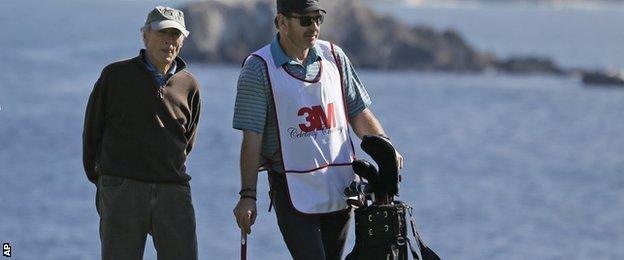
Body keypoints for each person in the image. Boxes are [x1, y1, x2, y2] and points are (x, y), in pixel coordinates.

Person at [232, 0, 403, 259]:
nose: (313, 26)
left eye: (317, 18)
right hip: (292, 189)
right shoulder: (258, 69)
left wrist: (386, 147)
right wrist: (248, 195)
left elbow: (358, 113)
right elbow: (252, 139)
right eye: (305, 20)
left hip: (340, 187)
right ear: (281, 22)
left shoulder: (334, 56)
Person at [82, 6, 201, 260]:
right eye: (162, 33)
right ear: (145, 35)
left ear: (182, 40)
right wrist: (105, 183)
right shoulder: (115, 76)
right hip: (124, 189)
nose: (169, 41)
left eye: (175, 35)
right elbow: (92, 132)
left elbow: (187, 141)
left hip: (173, 191)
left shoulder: (189, 85)